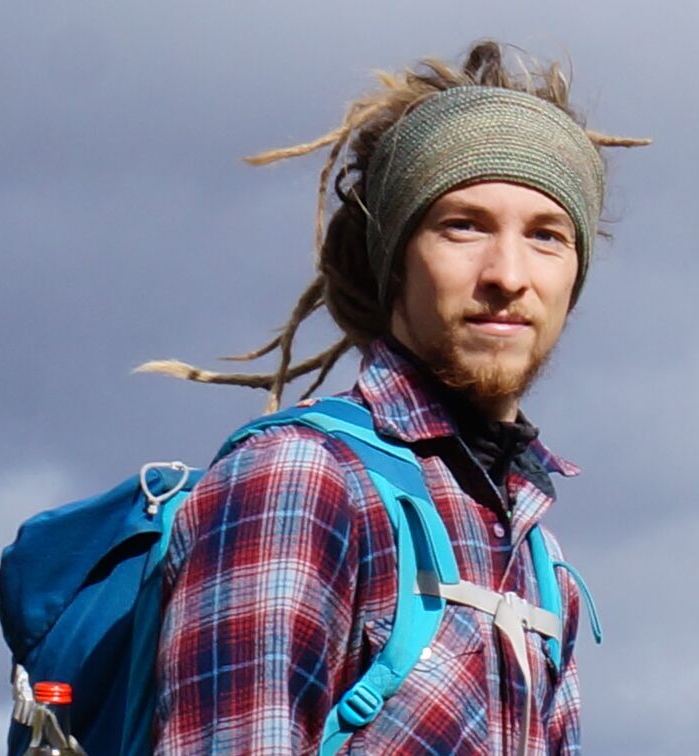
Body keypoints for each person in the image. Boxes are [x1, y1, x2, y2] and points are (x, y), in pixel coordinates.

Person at [148, 41, 647, 754]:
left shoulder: (543, 564)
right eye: (463, 226)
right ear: (396, 261)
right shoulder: (300, 479)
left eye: (546, 236)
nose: (508, 274)